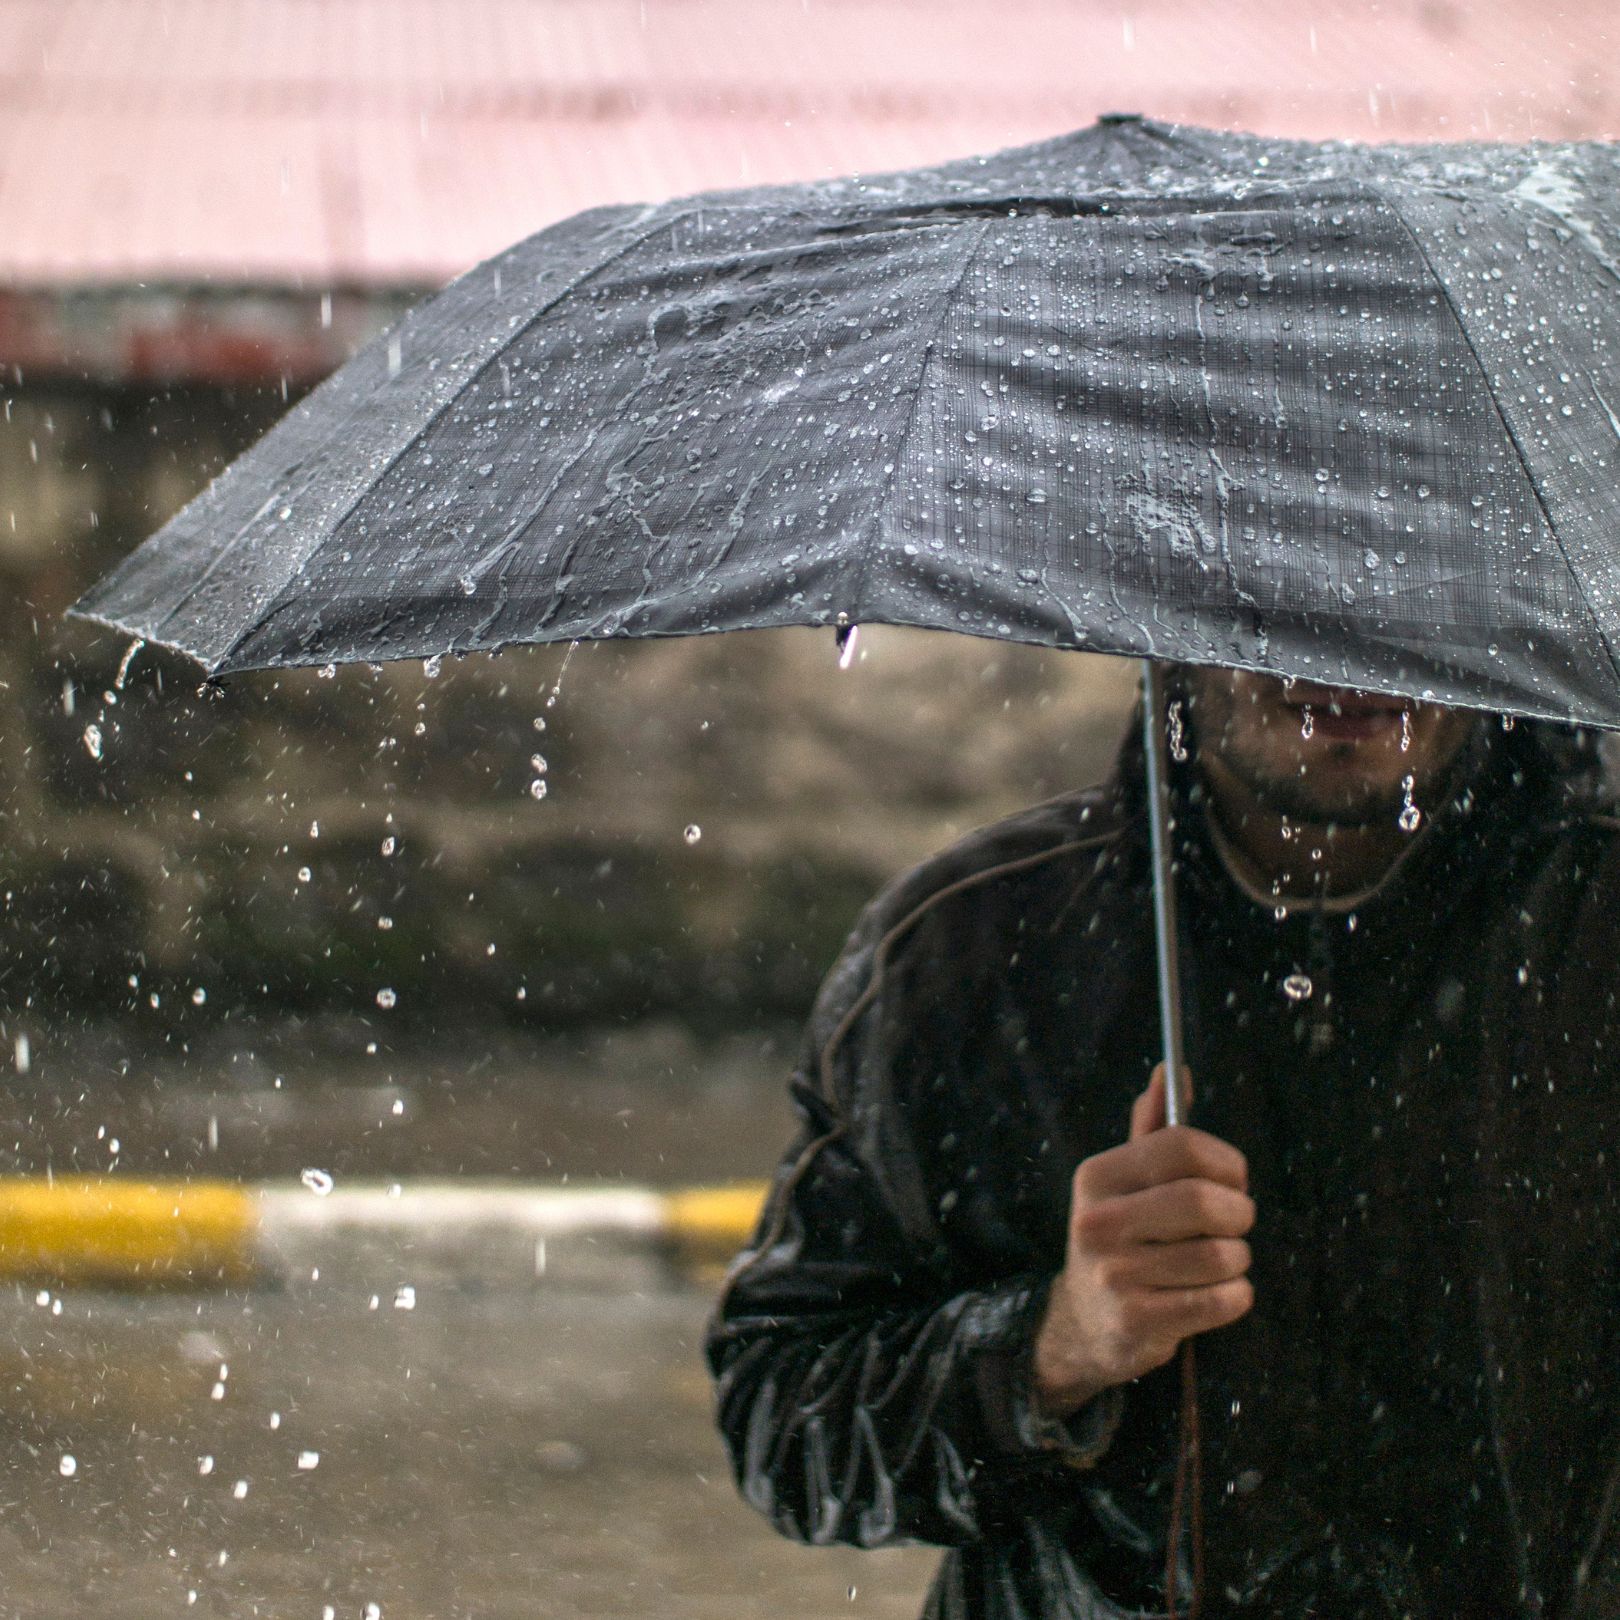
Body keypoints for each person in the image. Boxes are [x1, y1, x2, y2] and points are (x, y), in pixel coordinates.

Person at [705, 667, 1620, 1620]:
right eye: (1280, 598)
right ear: (1173, 627)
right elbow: (785, 1418)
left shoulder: (1598, 934)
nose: (1350, 660)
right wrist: (1051, 1350)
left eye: (1406, 595)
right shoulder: (967, 954)